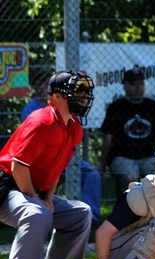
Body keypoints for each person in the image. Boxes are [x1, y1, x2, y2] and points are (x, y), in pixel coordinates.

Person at [0, 71, 95, 259]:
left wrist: (49, 199)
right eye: (78, 91)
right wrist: (37, 200)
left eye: (85, 92)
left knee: (80, 214)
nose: (84, 97)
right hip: (6, 186)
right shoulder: (41, 121)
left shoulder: (74, 128)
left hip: (32, 189)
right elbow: (18, 167)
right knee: (36, 213)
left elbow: (56, 168)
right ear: (58, 97)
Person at [21, 71, 102, 229]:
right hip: (41, 163)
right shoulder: (33, 109)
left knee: (91, 174)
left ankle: (91, 219)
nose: (45, 88)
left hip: (63, 160)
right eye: (42, 84)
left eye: (48, 83)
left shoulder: (69, 111)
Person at [99, 67, 155, 189]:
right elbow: (107, 139)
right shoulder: (116, 108)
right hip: (122, 157)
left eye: (140, 83)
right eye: (133, 84)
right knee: (130, 177)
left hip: (148, 157)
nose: (137, 87)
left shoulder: (152, 107)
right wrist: (102, 165)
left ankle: (153, 207)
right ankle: (130, 206)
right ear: (124, 86)